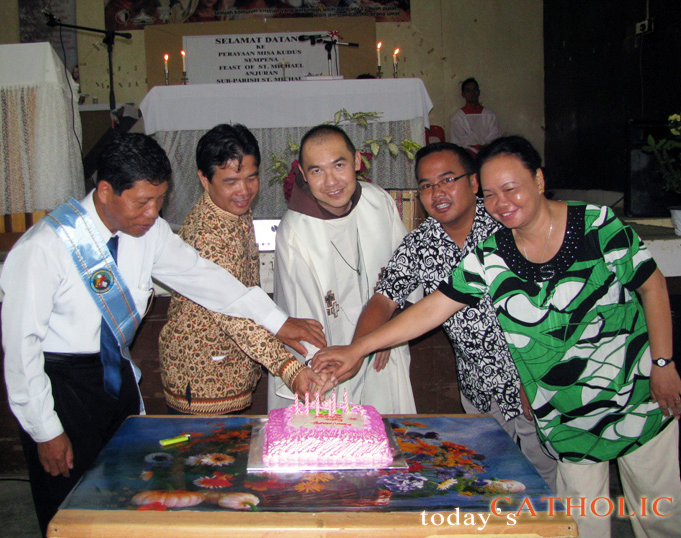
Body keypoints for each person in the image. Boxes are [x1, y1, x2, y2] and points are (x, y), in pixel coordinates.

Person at [314, 135, 681, 538]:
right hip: (563, 411)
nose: (502, 202)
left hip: (631, 394)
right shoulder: (493, 253)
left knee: (660, 513)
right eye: (492, 194)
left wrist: (663, 363)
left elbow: (651, 285)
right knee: (581, 520)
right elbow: (433, 306)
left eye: (510, 188)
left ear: (538, 180)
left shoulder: (594, 224)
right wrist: (362, 347)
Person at [0, 132, 325, 536]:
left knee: (123, 494)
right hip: (62, 388)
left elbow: (205, 279)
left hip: (115, 377)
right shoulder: (44, 248)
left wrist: (278, 321)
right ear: (105, 192)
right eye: (141, 202)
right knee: (68, 507)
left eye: (160, 200)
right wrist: (44, 430)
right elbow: (20, 349)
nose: (152, 212)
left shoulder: (147, 231)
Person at [349, 141, 556, 487]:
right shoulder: (420, 244)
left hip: (534, 380)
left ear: (474, 183)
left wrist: (533, 379)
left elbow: (546, 305)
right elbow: (384, 299)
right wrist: (359, 349)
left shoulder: (506, 225)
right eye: (427, 185)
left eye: (447, 180)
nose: (437, 192)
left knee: (547, 475)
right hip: (478, 387)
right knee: (492, 476)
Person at [158, 124, 326, 414]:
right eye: (231, 181)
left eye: (251, 178)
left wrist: (278, 321)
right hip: (202, 381)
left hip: (233, 365)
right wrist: (289, 368)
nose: (244, 191)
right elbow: (231, 314)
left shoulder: (232, 209)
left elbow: (244, 291)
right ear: (204, 179)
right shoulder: (206, 236)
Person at [268, 124, 416, 413]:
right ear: (302, 175)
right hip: (329, 361)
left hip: (383, 348)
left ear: (357, 162)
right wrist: (324, 371)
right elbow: (303, 317)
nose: (331, 181)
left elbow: (406, 273)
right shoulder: (296, 231)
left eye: (339, 165)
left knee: (386, 434)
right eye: (317, 171)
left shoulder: (377, 201)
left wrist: (387, 333)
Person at [449, 77, 501, 156]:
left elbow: (494, 135)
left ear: (479, 92)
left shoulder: (490, 115)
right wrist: (477, 147)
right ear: (463, 94)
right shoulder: (457, 118)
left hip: (488, 154)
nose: (472, 93)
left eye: (475, 90)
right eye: (468, 90)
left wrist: (485, 148)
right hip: (468, 155)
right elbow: (461, 140)